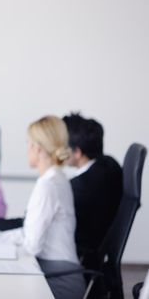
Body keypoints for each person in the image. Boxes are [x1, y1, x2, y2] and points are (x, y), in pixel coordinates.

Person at [0, 115, 85, 299]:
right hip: (56, 270)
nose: (27, 149)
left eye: (28, 144)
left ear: (37, 148)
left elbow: (31, 246)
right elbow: (27, 233)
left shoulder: (48, 186)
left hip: (58, 278)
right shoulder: (56, 178)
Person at [62, 113, 122, 269]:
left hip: (75, 258)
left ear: (77, 152)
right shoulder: (110, 165)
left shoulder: (77, 188)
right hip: (94, 256)